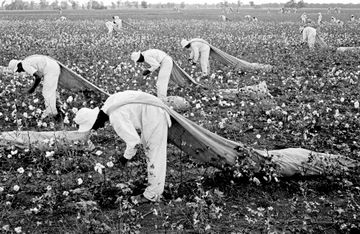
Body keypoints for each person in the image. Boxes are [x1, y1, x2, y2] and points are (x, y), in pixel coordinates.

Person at [74, 90, 172, 204]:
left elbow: (134, 142)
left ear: (95, 119)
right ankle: (153, 185)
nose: (96, 128)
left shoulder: (115, 117)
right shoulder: (109, 104)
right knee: (149, 149)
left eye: (93, 126)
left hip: (154, 113)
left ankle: (152, 195)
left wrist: (124, 159)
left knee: (154, 154)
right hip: (152, 108)